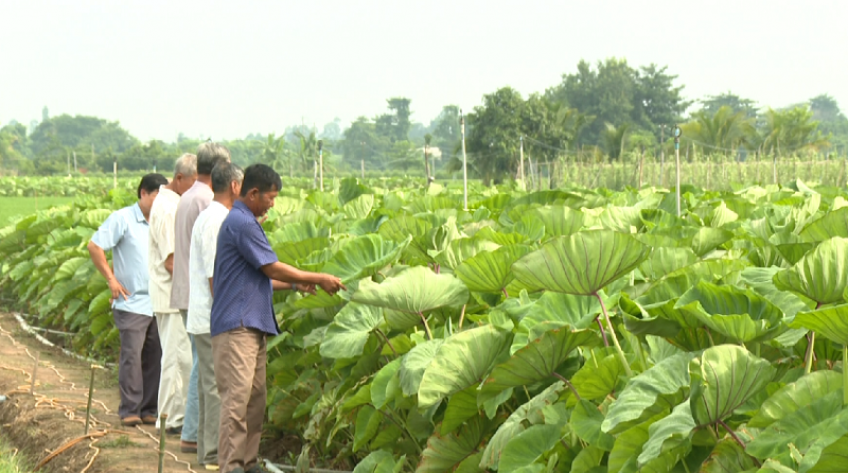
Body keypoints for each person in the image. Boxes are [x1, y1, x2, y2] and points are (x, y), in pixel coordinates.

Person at [210, 164, 345, 473]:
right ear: (253, 193)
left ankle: (247, 462)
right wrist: (319, 276)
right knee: (237, 401)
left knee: (255, 399)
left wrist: (297, 284)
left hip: (251, 325)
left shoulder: (244, 222)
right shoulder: (242, 222)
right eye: (270, 197)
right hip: (236, 327)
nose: (273, 204)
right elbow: (271, 267)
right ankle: (231, 467)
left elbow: (258, 278)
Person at [87, 173, 168, 427]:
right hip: (131, 301)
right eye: (157, 196)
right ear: (143, 193)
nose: (160, 203)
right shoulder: (122, 218)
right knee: (132, 356)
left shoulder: (163, 222)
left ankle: (149, 409)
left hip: (159, 301)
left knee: (156, 356)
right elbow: (95, 246)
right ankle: (130, 409)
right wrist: (111, 279)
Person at [171, 142, 231, 453]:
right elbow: (213, 269)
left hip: (188, 295)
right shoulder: (209, 204)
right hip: (204, 303)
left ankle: (195, 437)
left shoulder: (188, 196)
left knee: (201, 370)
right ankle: (200, 441)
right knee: (207, 376)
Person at [187, 161, 243, 469]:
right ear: (234, 186)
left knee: (209, 385)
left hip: (205, 314)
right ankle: (212, 455)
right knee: (216, 387)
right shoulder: (216, 220)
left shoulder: (212, 216)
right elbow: (214, 276)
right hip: (212, 315)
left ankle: (206, 452)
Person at [148, 153, 197, 435]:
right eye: (193, 182)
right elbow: (171, 261)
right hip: (172, 296)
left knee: (177, 358)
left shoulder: (171, 202)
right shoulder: (168, 208)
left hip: (170, 297)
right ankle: (172, 418)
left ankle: (171, 416)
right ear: (179, 179)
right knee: (178, 359)